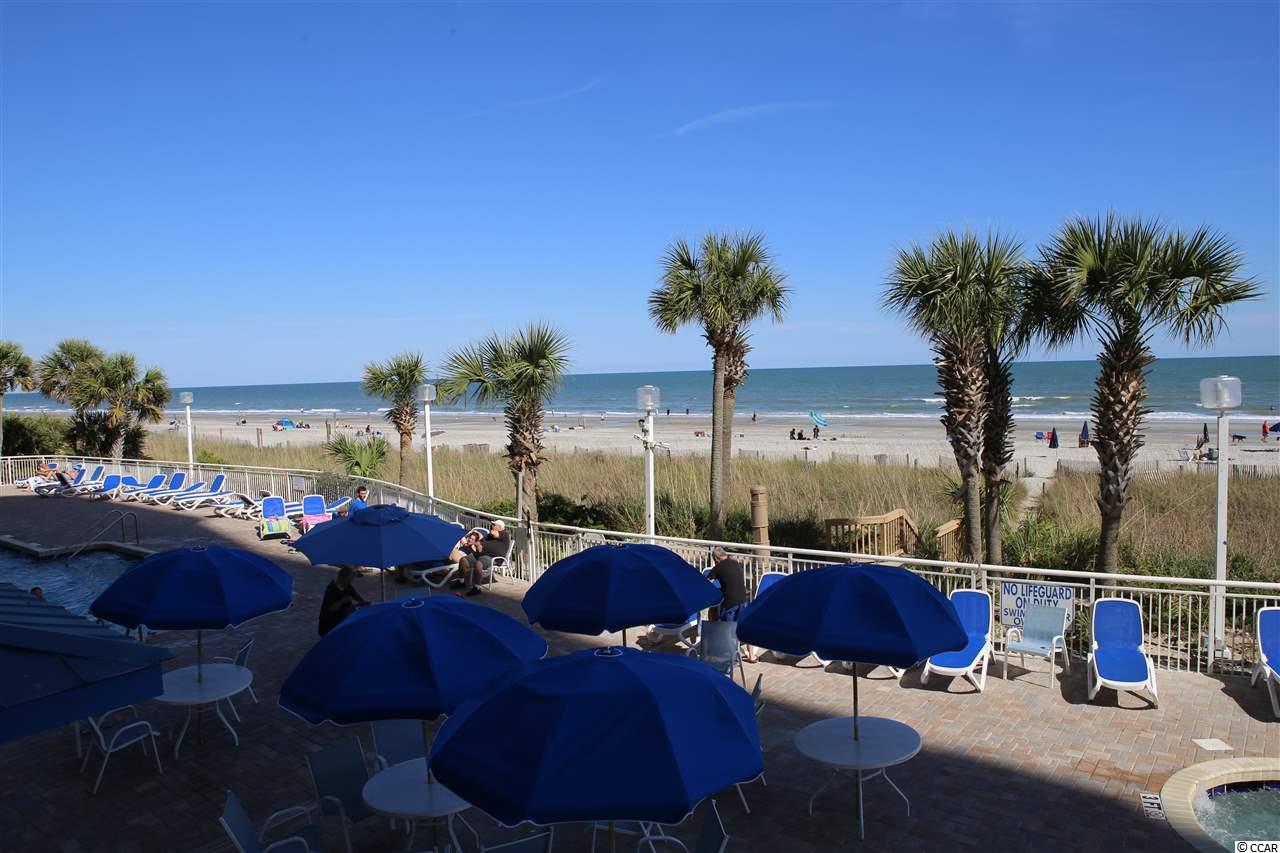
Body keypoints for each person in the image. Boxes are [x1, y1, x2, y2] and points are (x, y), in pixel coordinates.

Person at [461, 520, 511, 597]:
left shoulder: (504, 534)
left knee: (478, 563)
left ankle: (477, 588)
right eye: (492, 524)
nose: (492, 526)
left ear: (500, 527)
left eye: (494, 525)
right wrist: (478, 545)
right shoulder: (489, 536)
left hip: (492, 557)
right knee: (463, 560)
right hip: (480, 554)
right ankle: (462, 581)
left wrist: (480, 544)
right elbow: (479, 542)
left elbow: (494, 533)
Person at [319, 566, 368, 636]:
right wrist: (343, 601)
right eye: (350, 579)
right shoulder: (332, 589)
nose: (351, 581)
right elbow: (330, 608)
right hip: (330, 624)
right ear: (344, 578)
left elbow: (355, 595)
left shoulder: (347, 586)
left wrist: (363, 602)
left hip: (341, 620)